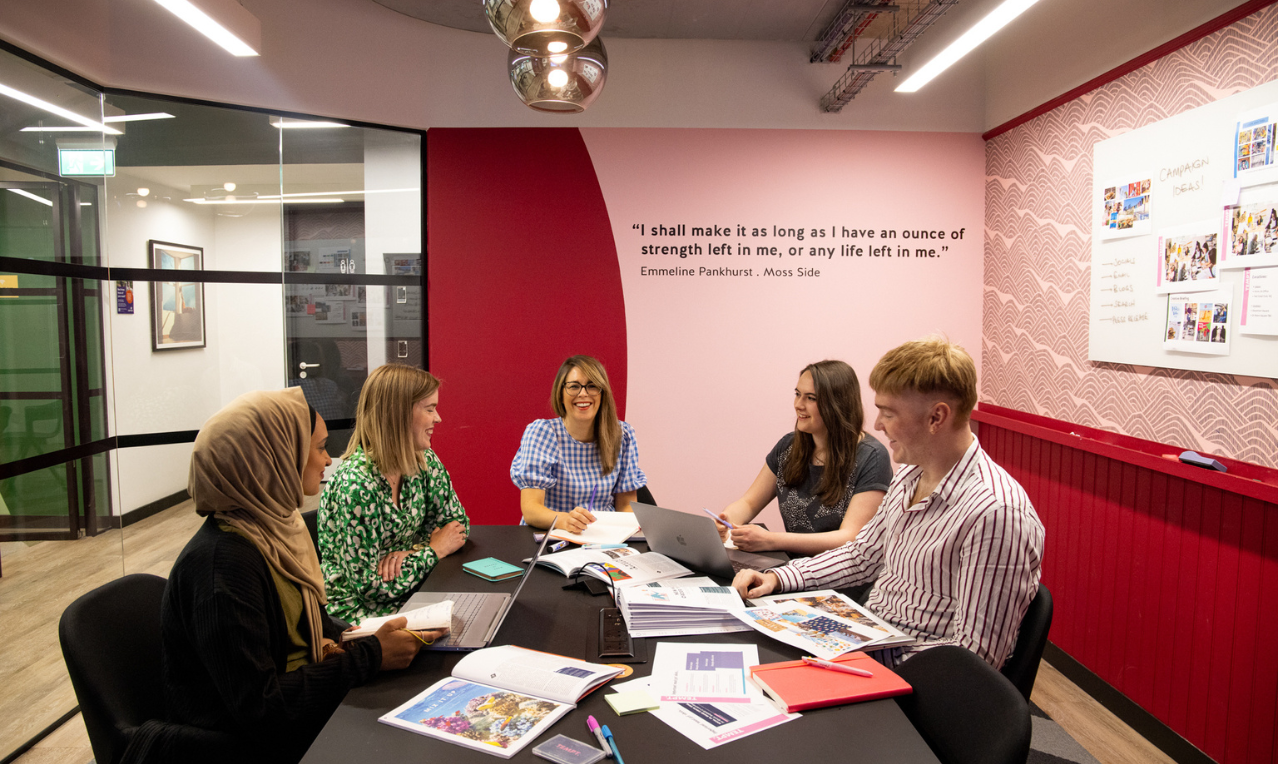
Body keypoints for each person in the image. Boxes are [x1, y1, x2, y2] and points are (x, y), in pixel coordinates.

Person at [152, 388, 442, 764]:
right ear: (273, 458)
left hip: (299, 716)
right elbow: (261, 708)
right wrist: (369, 656)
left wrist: (367, 636)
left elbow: (313, 625)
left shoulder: (275, 530)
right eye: (319, 447)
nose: (327, 459)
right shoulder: (222, 566)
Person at [732, 338, 1044, 670]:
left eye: (889, 413)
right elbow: (862, 556)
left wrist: (873, 659)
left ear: (936, 417)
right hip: (874, 639)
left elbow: (973, 657)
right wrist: (779, 578)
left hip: (916, 676)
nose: (878, 425)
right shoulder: (911, 475)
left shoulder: (995, 514)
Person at [320, 365, 470, 623]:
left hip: (410, 592)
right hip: (360, 617)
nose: (438, 418)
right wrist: (432, 551)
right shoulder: (356, 485)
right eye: (430, 409)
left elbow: (457, 527)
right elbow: (371, 588)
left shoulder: (424, 460)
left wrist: (413, 552)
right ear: (398, 414)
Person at [714, 360, 891, 555]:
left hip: (841, 581)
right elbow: (748, 503)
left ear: (837, 404)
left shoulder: (872, 457)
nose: (798, 405)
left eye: (811, 398)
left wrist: (772, 540)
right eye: (797, 394)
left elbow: (850, 537)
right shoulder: (787, 447)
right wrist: (727, 520)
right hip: (791, 573)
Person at [511, 355, 646, 532]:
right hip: (552, 535)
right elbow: (531, 510)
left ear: (602, 393)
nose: (583, 393)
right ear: (560, 394)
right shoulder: (542, 433)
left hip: (603, 538)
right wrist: (564, 520)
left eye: (592, 386)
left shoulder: (623, 435)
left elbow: (626, 508)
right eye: (574, 386)